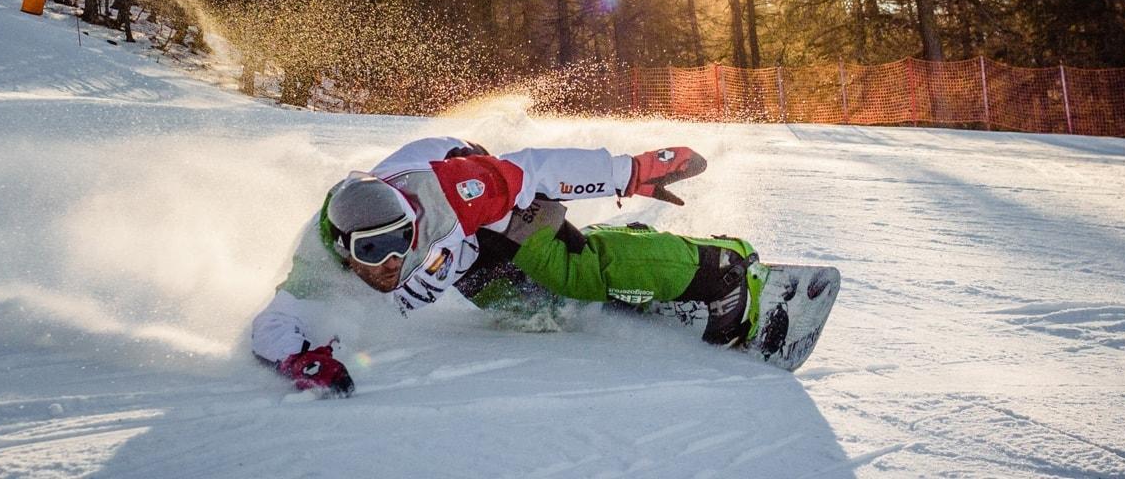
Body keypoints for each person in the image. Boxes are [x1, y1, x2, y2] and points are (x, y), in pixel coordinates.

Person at [250, 137, 766, 397]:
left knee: (572, 271)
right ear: (343, 250)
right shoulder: (316, 262)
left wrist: (629, 172)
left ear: (414, 220)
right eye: (371, 251)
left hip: (491, 217)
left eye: (400, 240)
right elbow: (271, 325)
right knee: (538, 311)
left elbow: (532, 171)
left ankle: (719, 268)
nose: (390, 261)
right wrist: (300, 359)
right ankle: (635, 257)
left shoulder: (450, 193)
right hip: (463, 259)